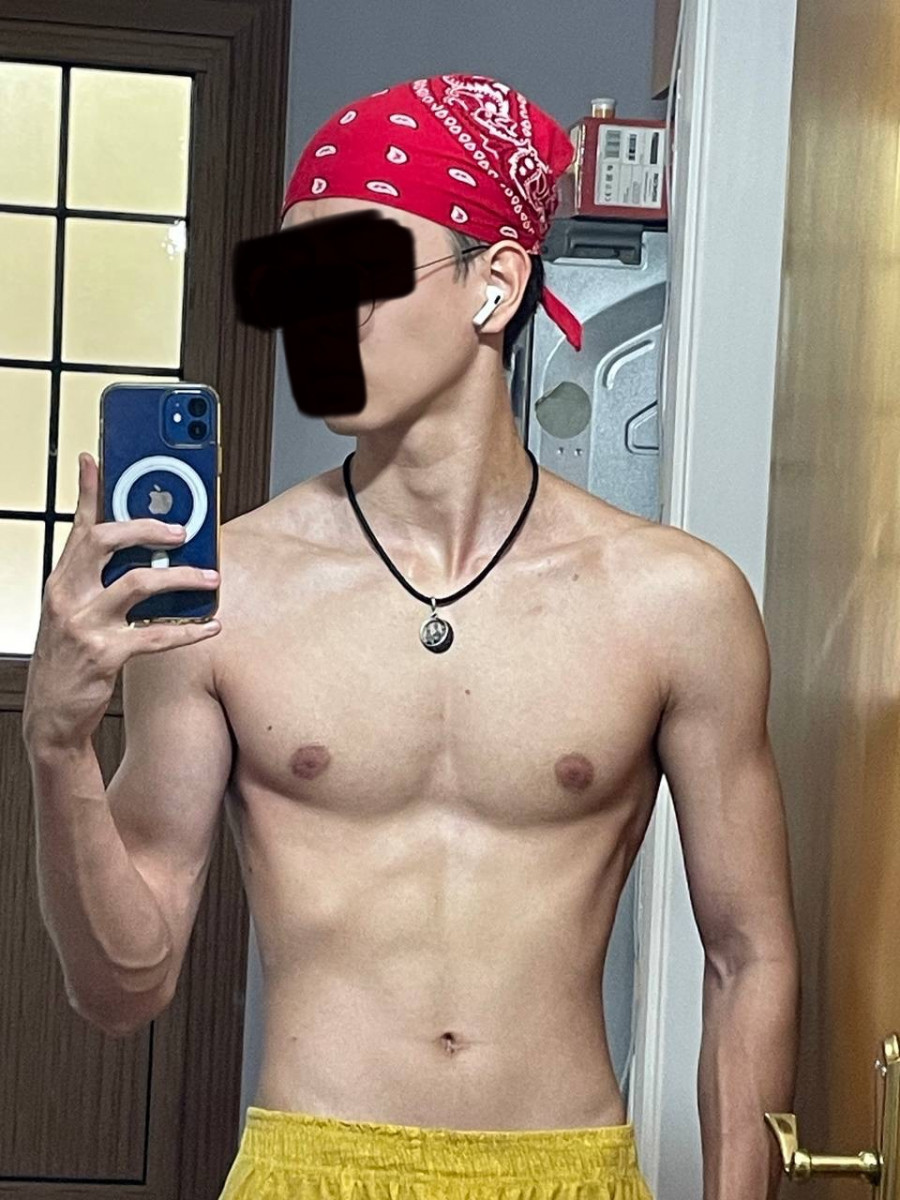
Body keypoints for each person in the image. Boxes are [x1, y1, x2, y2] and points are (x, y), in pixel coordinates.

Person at [24, 73, 800, 1200]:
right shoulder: (223, 593)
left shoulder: (676, 600)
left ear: (496, 285)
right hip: (309, 1169)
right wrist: (56, 748)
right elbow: (122, 988)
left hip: (566, 1170)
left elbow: (749, 955)